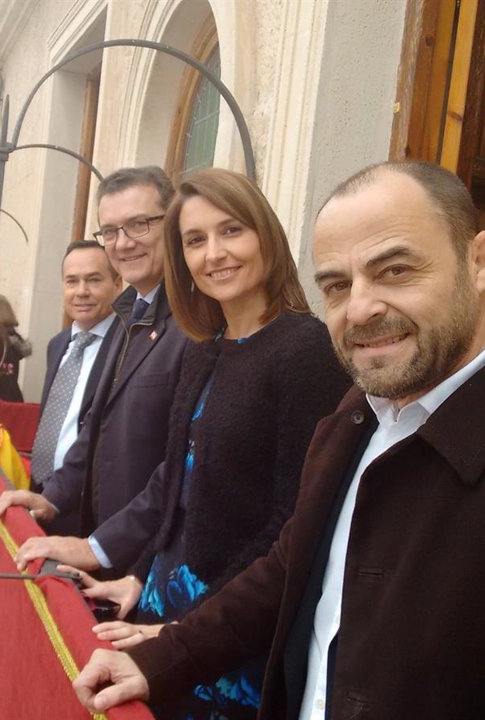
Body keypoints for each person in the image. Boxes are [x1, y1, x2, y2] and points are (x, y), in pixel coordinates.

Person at [72, 161, 485, 718]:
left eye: (395, 270)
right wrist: (162, 657)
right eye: (337, 285)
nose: (361, 309)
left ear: (482, 261)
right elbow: (288, 566)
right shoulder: (356, 411)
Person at [67, 168, 351, 718]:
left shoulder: (305, 351)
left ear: (266, 236)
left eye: (232, 231)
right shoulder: (205, 347)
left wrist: (189, 628)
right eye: (195, 241)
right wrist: (140, 575)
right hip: (162, 612)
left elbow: (293, 525)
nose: (214, 253)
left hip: (230, 636)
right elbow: (180, 484)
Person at [0, 166, 190, 571]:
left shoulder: (195, 322)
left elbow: (182, 467)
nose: (123, 243)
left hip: (150, 562)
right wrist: (53, 498)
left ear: (172, 225)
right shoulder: (127, 316)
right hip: (108, 545)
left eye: (139, 224)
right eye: (111, 230)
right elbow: (94, 432)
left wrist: (103, 550)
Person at [27, 240, 120, 516]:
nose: (82, 292)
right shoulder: (57, 345)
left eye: (93, 280)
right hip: (41, 494)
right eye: (72, 281)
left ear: (117, 284)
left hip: (89, 506)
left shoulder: (128, 345)